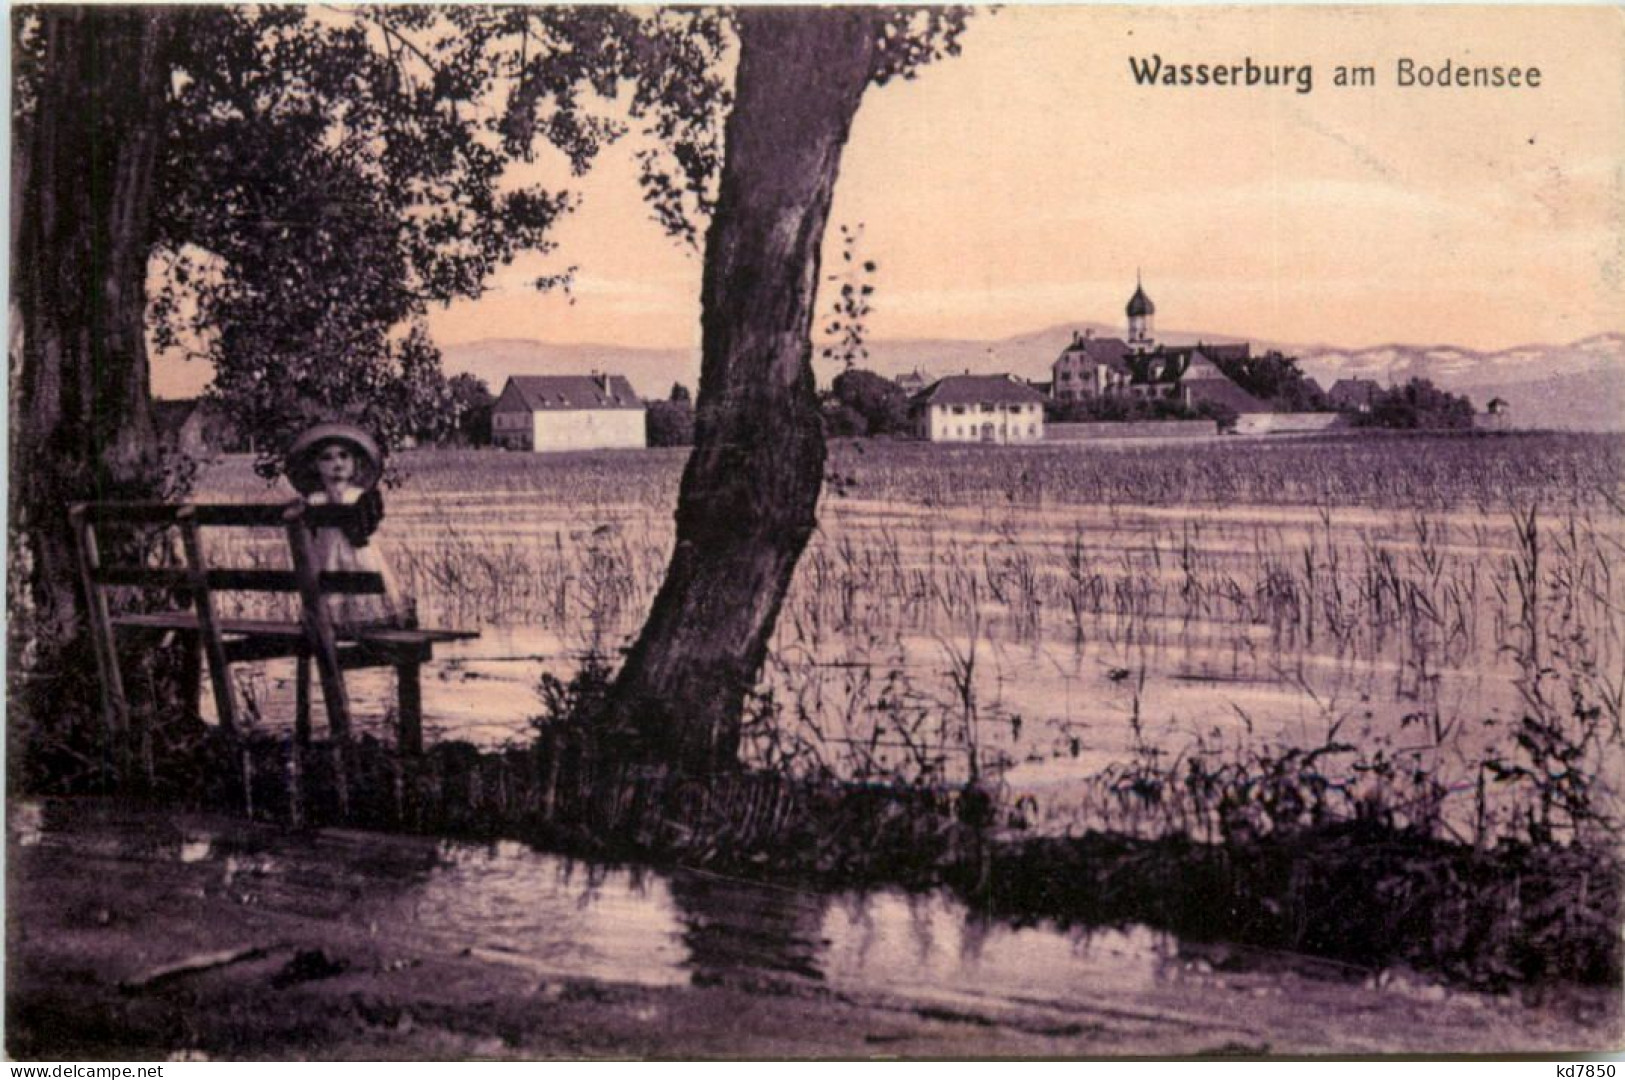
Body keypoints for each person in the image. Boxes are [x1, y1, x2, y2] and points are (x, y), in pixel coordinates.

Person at [284, 422, 406, 629]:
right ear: (315, 465)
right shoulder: (314, 500)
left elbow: (364, 533)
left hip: (360, 566)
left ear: (355, 462)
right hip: (328, 565)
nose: (337, 463)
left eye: (344, 456)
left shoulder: (361, 498)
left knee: (364, 590)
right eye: (327, 458)